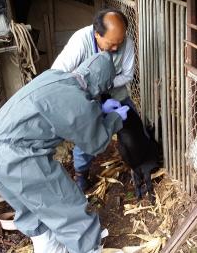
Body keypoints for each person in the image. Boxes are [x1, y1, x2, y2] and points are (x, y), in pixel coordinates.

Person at [0, 52, 129, 253]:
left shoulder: (55, 76)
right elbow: (95, 143)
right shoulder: (77, 101)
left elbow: (59, 111)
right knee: (68, 208)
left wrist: (99, 110)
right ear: (102, 84)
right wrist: (115, 118)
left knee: (32, 210)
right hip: (19, 157)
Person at [51, 8, 136, 191]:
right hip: (85, 95)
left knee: (132, 127)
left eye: (119, 43)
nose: (116, 48)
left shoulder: (126, 43)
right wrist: (90, 90)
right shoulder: (80, 41)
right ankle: (81, 174)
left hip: (115, 90)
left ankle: (135, 163)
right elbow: (58, 73)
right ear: (97, 34)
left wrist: (107, 85)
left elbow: (128, 75)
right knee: (87, 139)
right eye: (112, 44)